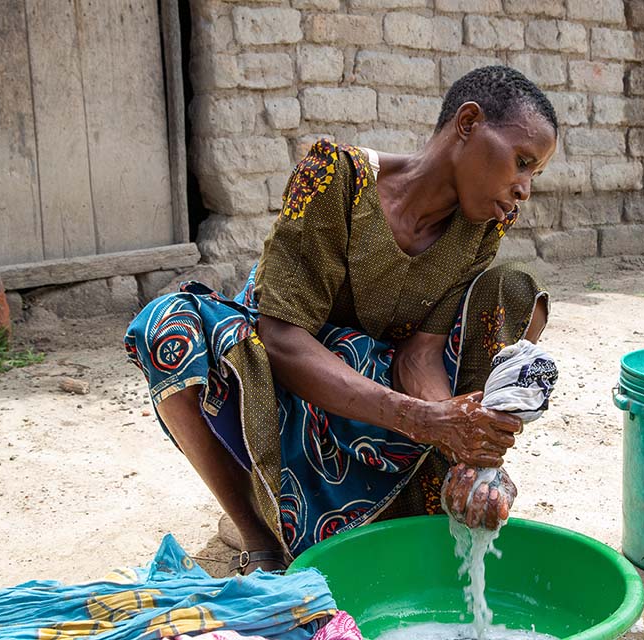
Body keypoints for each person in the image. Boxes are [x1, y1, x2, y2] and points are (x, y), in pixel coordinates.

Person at [125, 65, 558, 573]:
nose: (524, 187)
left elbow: (420, 355)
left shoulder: (480, 226)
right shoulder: (338, 179)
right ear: (467, 123)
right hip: (276, 375)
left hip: (369, 390)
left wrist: (461, 439)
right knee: (167, 325)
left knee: (514, 290)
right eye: (522, 161)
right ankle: (256, 532)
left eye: (535, 173)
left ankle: (408, 498)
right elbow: (281, 337)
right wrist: (419, 418)